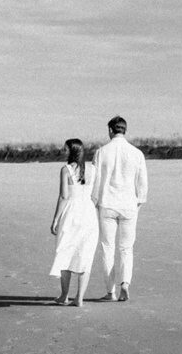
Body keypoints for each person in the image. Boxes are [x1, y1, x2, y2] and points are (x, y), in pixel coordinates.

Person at [90, 116, 148, 302]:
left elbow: (94, 180)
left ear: (110, 130)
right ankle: (125, 283)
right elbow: (142, 183)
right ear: (125, 130)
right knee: (126, 248)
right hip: (129, 205)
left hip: (107, 204)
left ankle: (110, 291)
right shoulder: (136, 153)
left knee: (108, 248)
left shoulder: (101, 152)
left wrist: (94, 201)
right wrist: (139, 202)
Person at [49, 138, 98, 307]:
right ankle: (80, 298)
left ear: (72, 151)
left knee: (65, 251)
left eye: (65, 148)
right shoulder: (93, 169)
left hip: (71, 213)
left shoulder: (66, 170)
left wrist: (55, 218)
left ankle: (64, 295)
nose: (62, 151)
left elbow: (64, 196)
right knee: (85, 254)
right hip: (88, 213)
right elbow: (94, 194)